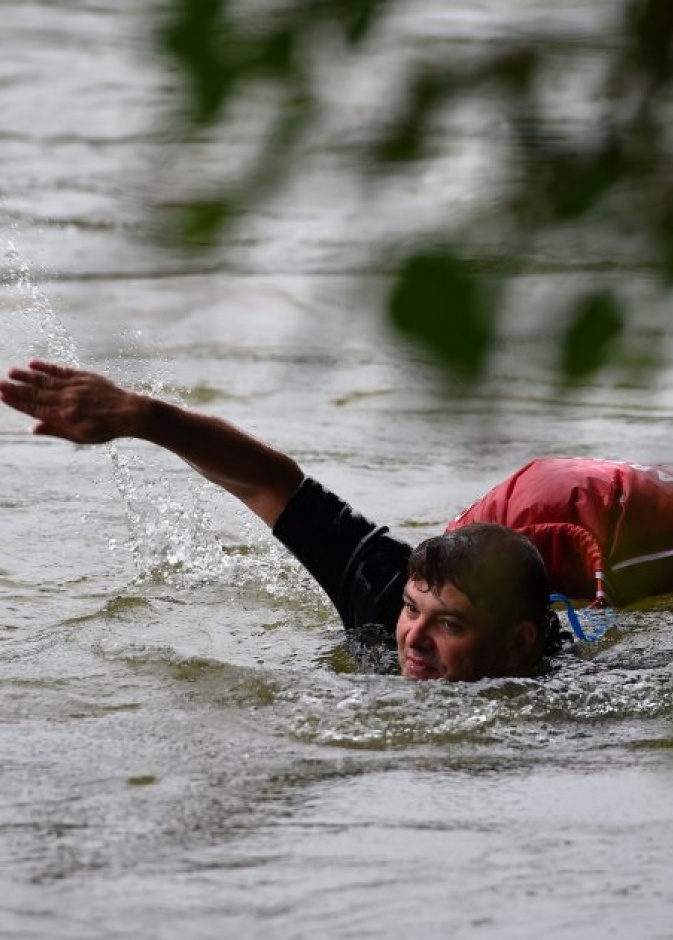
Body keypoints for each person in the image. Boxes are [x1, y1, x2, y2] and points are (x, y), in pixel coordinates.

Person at [1, 359, 638, 683]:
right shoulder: (388, 594)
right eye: (416, 611)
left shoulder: (572, 684)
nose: (411, 638)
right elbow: (273, 482)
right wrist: (142, 418)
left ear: (519, 645)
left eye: (448, 625)